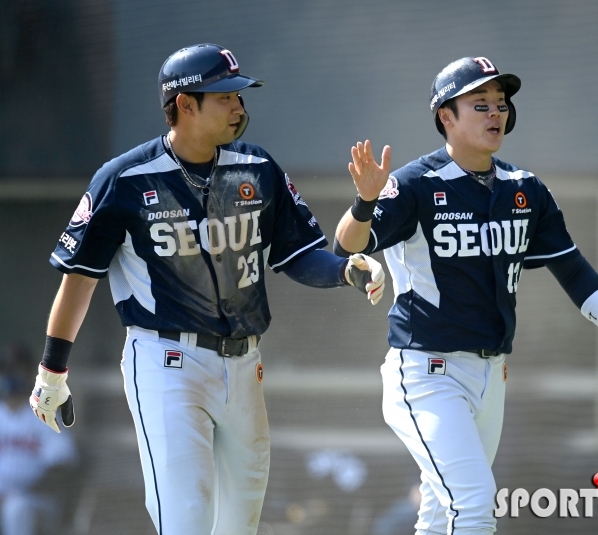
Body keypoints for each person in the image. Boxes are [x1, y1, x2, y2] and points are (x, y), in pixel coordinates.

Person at [28, 43, 385, 535]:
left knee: (238, 527)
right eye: (224, 96)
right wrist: (52, 371)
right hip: (165, 363)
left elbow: (299, 254)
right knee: (187, 522)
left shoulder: (257, 168)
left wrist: (346, 269)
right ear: (184, 105)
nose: (239, 106)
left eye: (239, 95)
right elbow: (80, 277)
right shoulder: (125, 179)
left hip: (244, 367)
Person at [334, 56, 598, 534]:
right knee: (474, 506)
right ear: (446, 116)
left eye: (501, 104)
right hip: (427, 374)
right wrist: (365, 200)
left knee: (441, 513)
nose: (496, 114)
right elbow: (348, 244)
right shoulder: (413, 183)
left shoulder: (523, 187)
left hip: (491, 375)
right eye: (480, 104)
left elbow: (572, 268)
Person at [1, 344, 77, 535]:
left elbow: (63, 465)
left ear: (30, 374)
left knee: (16, 507)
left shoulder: (43, 414)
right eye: (7, 369)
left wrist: (20, 492)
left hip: (36, 501)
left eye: (18, 369)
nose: (12, 375)